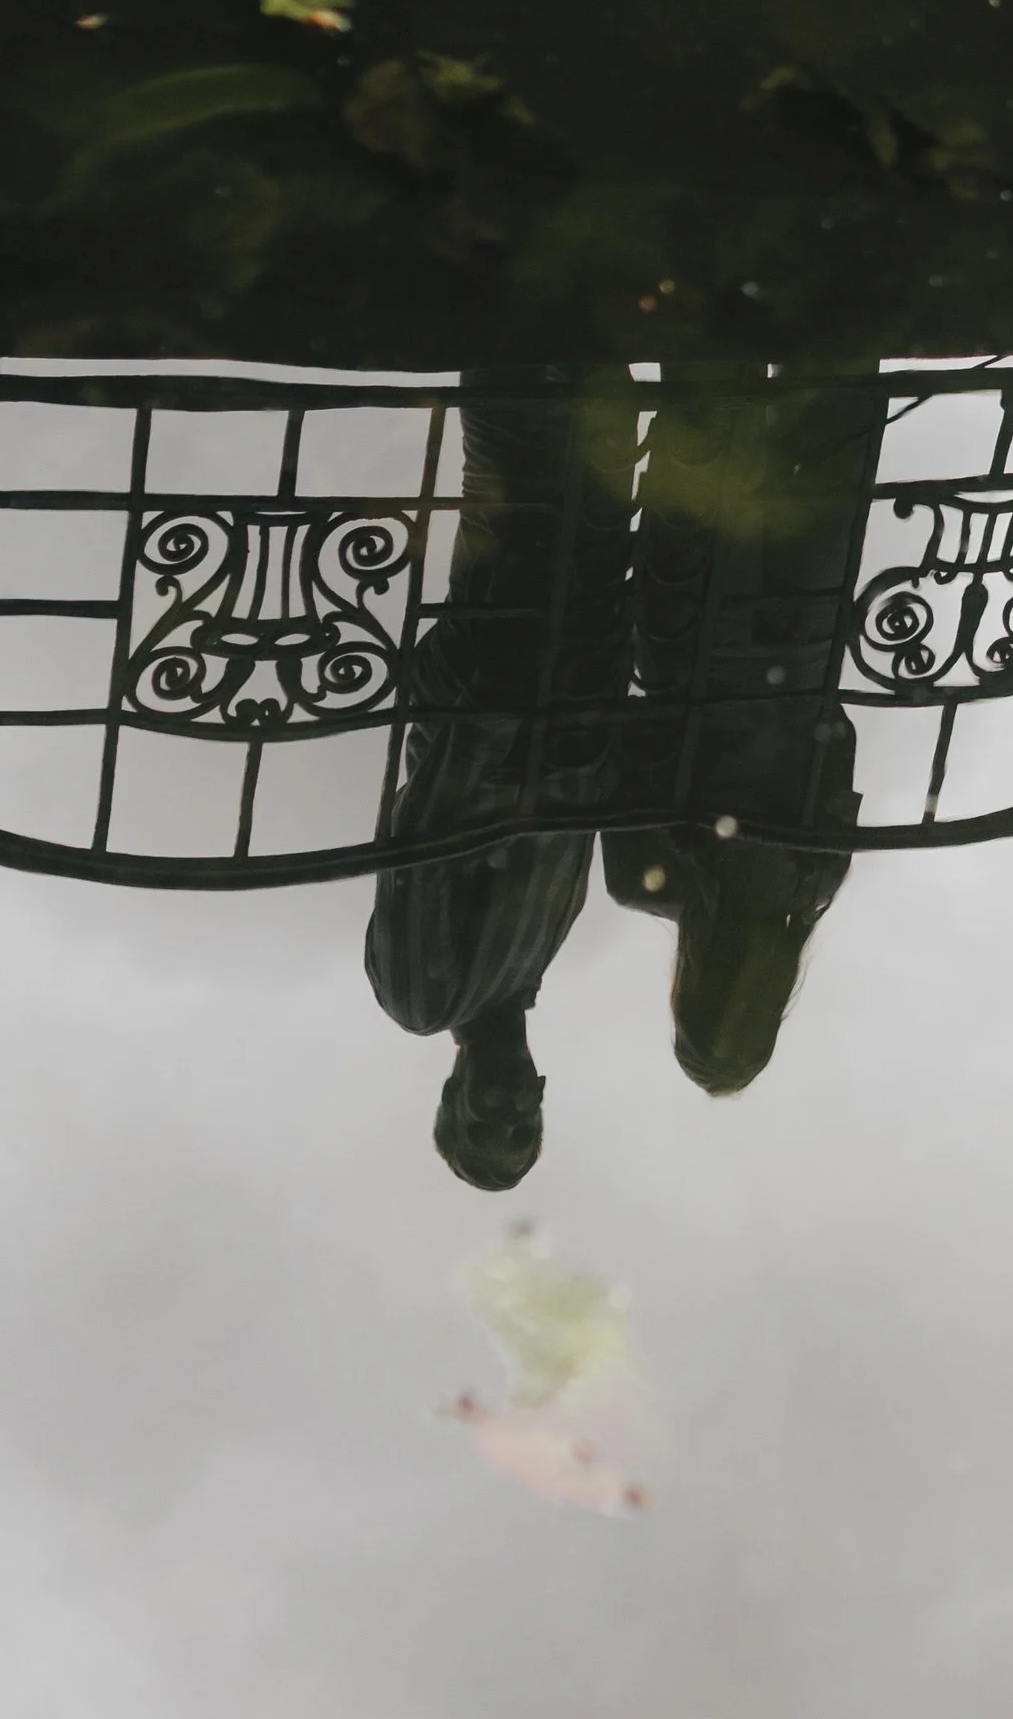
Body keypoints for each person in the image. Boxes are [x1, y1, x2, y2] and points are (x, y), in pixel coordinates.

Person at [365, 367, 880, 1184]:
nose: (507, 1111)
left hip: (517, 666)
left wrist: (514, 702)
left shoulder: (425, 1000)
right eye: (521, 1127)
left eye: (483, 1124)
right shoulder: (536, 959)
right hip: (569, 661)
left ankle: (516, 294)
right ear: (542, 1095)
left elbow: (423, 838)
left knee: (533, 456)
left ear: (452, 1095)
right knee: (574, 460)